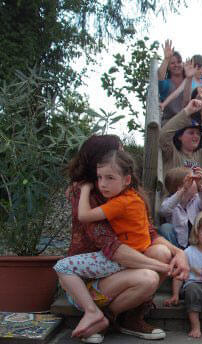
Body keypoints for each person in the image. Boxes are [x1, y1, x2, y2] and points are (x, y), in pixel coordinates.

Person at [56, 135, 188, 343]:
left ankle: (124, 318)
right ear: (98, 162)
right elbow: (112, 247)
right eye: (118, 150)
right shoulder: (82, 192)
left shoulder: (127, 193)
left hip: (116, 267)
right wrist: (164, 268)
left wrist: (179, 252)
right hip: (88, 280)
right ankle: (98, 317)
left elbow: (150, 233)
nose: (123, 154)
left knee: (162, 251)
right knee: (149, 276)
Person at [159, 98, 202, 174]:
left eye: (198, 133)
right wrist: (187, 111)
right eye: (191, 133)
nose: (196, 136)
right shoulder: (171, 152)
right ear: (179, 136)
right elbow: (163, 136)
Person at [158, 166, 202, 249]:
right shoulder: (171, 203)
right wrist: (183, 190)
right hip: (178, 245)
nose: (195, 182)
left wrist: (201, 186)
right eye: (192, 180)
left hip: (196, 245)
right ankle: (176, 255)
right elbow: (163, 211)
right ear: (180, 187)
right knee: (165, 227)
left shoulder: (196, 199)